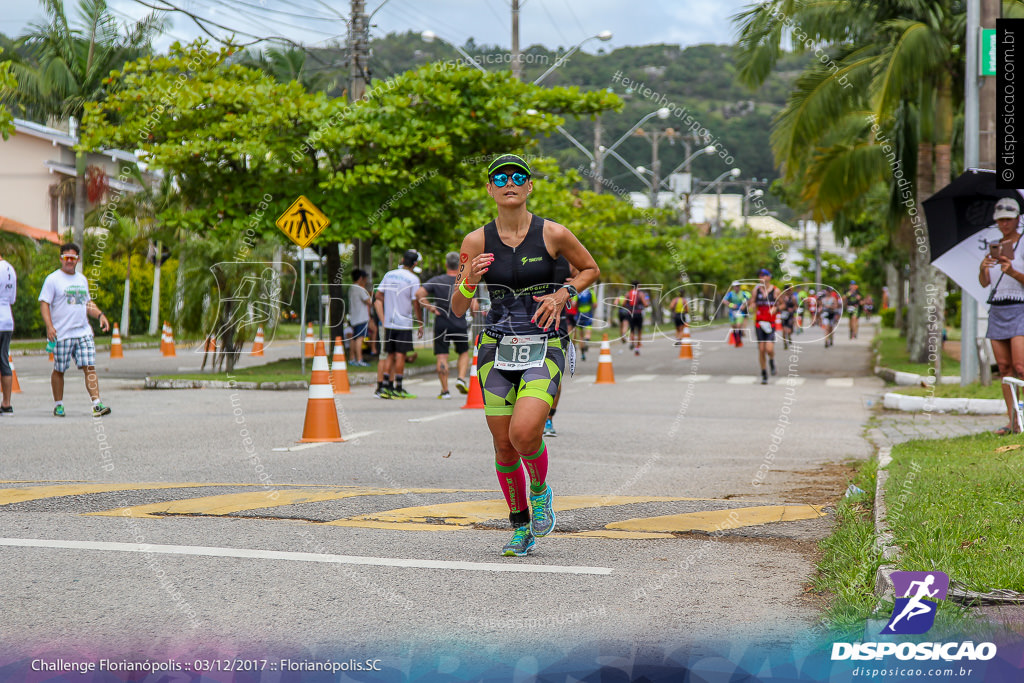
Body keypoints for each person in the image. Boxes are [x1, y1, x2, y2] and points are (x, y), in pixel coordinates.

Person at [451, 153, 599, 556]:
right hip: (495, 347)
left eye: (518, 176)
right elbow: (459, 308)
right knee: (502, 446)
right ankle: (520, 527)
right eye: (500, 177)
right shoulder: (475, 241)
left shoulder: (553, 233)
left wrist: (564, 292)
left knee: (524, 433)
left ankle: (539, 490)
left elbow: (589, 269)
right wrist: (469, 281)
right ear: (490, 189)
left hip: (544, 343)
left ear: (530, 186)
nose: (509, 182)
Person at [38, 243, 111, 417]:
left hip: (82, 331)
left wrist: (100, 315)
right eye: (66, 258)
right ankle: (59, 404)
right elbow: (44, 303)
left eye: (73, 258)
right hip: (62, 333)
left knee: (89, 367)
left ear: (78, 259)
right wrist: (49, 326)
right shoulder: (53, 279)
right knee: (59, 369)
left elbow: (87, 303)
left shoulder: (81, 279)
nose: (69, 261)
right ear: (61, 258)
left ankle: (96, 403)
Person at [979, 197, 1024, 435]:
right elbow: (985, 283)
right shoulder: (995, 246)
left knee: (1021, 366)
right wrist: (983, 267)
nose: (1004, 224)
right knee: (1005, 368)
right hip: (997, 308)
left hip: (1020, 308)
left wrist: (1013, 272)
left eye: (1008, 219)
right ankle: (1013, 421)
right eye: (1000, 220)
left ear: (1017, 218)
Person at [416, 252, 476, 399]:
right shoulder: (463, 281)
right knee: (463, 352)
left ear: (446, 265)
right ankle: (461, 378)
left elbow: (419, 294)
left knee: (442, 356)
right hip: (459, 321)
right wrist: (474, 316)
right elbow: (474, 305)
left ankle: (445, 390)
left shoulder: (437, 280)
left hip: (441, 322)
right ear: (460, 265)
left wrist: (430, 308)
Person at [373, 250, 424, 399]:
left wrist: (385, 313)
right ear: (414, 264)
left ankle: (386, 386)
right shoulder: (413, 279)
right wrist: (420, 322)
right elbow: (416, 303)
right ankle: (398, 387)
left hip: (390, 322)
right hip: (404, 322)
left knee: (389, 354)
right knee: (400, 355)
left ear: (402, 260)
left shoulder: (389, 275)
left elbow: (378, 295)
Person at [751, 268, 780, 384]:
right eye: (760, 276)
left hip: (770, 323)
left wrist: (776, 308)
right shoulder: (756, 290)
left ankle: (772, 361)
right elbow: (752, 302)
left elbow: (781, 304)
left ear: (769, 277)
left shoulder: (776, 291)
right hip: (759, 323)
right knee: (761, 349)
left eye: (764, 275)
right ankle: (764, 373)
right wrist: (752, 306)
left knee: (769, 349)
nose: (762, 278)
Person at [0, 251, 16, 415]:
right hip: (7, 320)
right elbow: (12, 299)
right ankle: (6, 403)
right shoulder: (10, 269)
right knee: (4, 361)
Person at [347, 268, 372, 367]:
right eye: (365, 278)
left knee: (354, 338)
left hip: (353, 317)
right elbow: (368, 301)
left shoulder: (351, 288)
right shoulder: (360, 289)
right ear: (361, 278)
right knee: (359, 338)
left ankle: (351, 358)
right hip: (361, 317)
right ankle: (359, 359)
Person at [626, 281, 649, 355]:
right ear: (638, 286)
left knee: (632, 330)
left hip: (631, 314)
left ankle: (632, 343)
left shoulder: (628, 293)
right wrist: (646, 303)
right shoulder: (640, 294)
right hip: (638, 313)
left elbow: (623, 303)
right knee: (639, 331)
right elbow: (645, 304)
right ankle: (637, 348)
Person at [723, 282, 748, 346]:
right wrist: (731, 305)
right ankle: (736, 339)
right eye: (735, 286)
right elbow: (724, 301)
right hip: (732, 312)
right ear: (733, 287)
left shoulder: (743, 293)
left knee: (738, 325)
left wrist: (744, 305)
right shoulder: (730, 293)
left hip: (740, 312)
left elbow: (748, 300)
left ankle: (739, 340)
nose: (736, 287)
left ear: (739, 287)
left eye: (737, 286)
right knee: (734, 327)